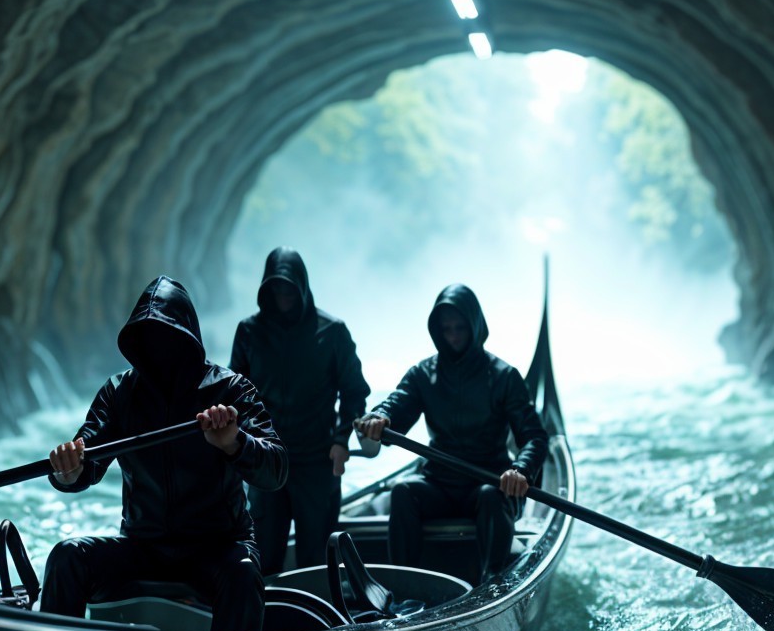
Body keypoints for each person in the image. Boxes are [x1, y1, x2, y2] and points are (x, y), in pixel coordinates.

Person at [41, 276, 289, 631]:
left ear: (189, 338)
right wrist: (67, 470)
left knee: (244, 572)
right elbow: (86, 459)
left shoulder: (231, 389)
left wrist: (234, 442)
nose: (158, 347)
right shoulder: (119, 392)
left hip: (218, 545)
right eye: (148, 337)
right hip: (143, 547)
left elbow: (276, 470)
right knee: (67, 556)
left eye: (168, 336)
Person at [354, 285, 548, 584]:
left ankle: (494, 584)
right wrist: (378, 417)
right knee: (403, 491)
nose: (454, 336)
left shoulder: (505, 376)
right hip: (439, 485)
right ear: (437, 331)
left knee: (490, 496)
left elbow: (534, 437)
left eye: (460, 328)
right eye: (446, 329)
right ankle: (403, 586)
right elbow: (396, 405)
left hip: (489, 482)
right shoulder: (422, 374)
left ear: (475, 326)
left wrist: (521, 470)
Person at [229, 247, 371, 575]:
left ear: (302, 286)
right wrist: (238, 450)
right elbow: (234, 392)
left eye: (289, 287)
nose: (283, 295)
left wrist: (341, 440)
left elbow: (354, 391)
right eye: (276, 287)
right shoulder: (249, 331)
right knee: (262, 558)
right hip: (265, 461)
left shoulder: (332, 331)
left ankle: (322, 609)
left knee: (317, 561)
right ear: (265, 288)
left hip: (318, 460)